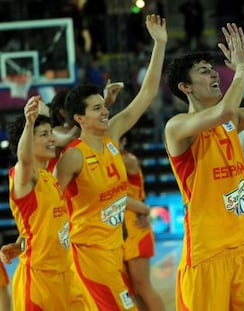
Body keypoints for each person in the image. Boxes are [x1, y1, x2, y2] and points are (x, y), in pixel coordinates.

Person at [164, 22, 244, 310]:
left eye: (213, 69)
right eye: (204, 71)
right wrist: (242, 71)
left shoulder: (231, 120)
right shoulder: (178, 127)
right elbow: (224, 109)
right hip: (206, 254)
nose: (214, 73)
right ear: (185, 87)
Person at [54, 14, 167, 310]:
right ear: (80, 118)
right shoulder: (74, 156)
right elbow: (48, 199)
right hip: (90, 254)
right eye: (96, 109)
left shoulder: (113, 137)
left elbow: (148, 94)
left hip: (115, 248)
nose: (105, 111)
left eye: (104, 106)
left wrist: (159, 44)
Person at [7, 96, 72, 310]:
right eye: (44, 134)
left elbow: (36, 223)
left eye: (51, 132)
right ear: (27, 142)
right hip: (37, 281)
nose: (52, 138)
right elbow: (25, 159)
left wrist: (20, 243)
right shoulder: (23, 176)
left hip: (62, 277)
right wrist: (28, 122)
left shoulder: (48, 177)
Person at [120, 134, 165, 311]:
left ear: (124, 141)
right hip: (124, 228)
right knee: (134, 291)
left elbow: (116, 194)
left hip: (135, 227)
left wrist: (145, 210)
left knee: (143, 288)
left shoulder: (126, 160)